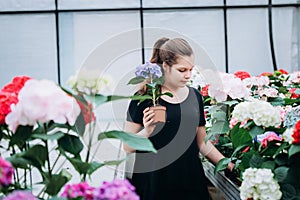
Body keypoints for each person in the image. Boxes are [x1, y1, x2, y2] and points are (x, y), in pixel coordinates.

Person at [123, 37, 233, 200]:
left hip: (190, 182)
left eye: (191, 69)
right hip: (154, 183)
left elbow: (202, 142)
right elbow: (127, 145)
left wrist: (227, 164)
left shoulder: (195, 96)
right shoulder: (144, 98)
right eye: (182, 70)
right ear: (166, 66)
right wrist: (147, 131)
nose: (188, 75)